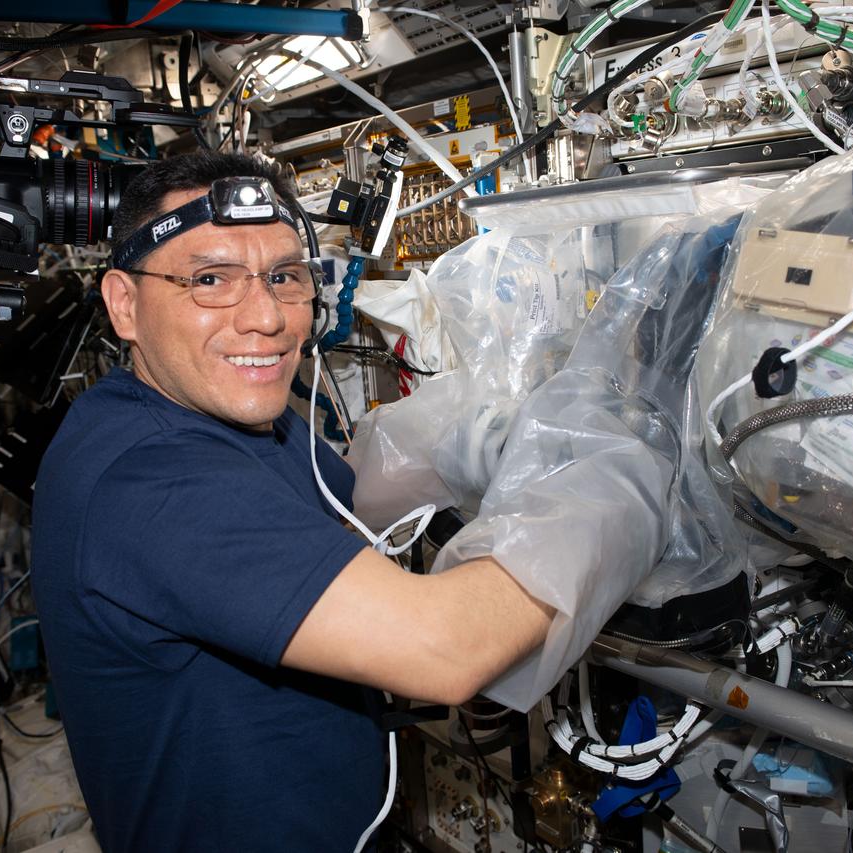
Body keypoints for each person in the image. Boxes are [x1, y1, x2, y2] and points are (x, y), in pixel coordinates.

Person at [31, 151, 553, 852]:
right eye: (209, 279)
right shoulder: (151, 479)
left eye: (284, 276)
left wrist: (443, 449)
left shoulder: (219, 419)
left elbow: (315, 513)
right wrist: (615, 494)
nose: (267, 318)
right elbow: (446, 650)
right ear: (125, 304)